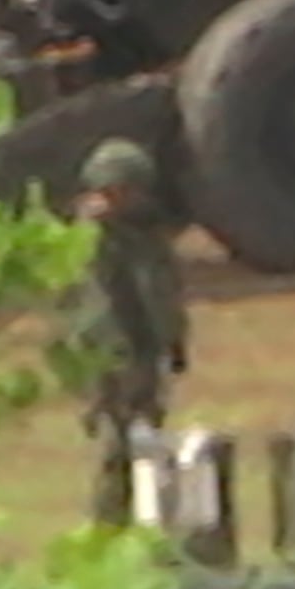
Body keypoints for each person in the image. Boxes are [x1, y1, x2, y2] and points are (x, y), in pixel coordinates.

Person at [68, 135, 188, 531]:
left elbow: (161, 292)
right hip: (106, 356)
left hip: (143, 353)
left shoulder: (148, 235)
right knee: (113, 447)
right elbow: (87, 305)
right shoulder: (92, 240)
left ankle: (142, 524)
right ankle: (107, 526)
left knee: (147, 445)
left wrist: (173, 341)